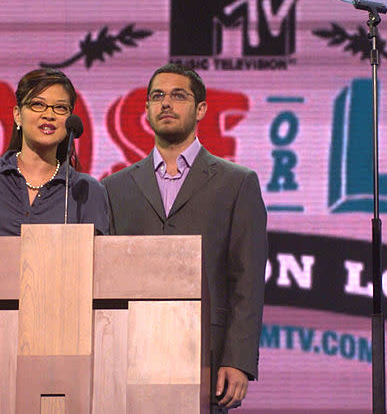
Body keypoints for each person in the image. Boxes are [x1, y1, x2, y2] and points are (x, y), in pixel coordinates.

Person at [103, 63, 267, 411]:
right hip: (130, 357)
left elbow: (247, 280)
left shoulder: (236, 183)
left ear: (201, 109)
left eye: (179, 96)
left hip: (207, 356)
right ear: (146, 109)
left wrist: (238, 360)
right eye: (157, 96)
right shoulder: (114, 188)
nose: (166, 104)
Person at [0, 69, 109, 236]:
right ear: (18, 114)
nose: (49, 115)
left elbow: (96, 259)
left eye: (60, 108)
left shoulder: (87, 190)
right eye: (38, 104)